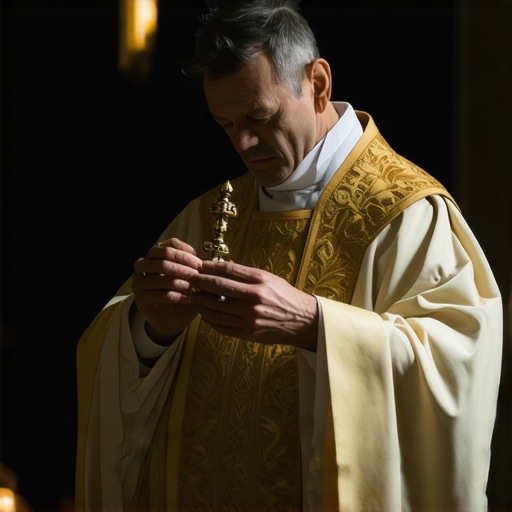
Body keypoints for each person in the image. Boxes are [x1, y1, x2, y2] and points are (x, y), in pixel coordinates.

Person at [74, 1, 503, 510]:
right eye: (225, 124)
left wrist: (313, 323)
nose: (244, 144)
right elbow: (109, 358)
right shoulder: (207, 214)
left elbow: (458, 365)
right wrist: (151, 331)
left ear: (318, 84)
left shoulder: (406, 214)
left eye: (259, 117)